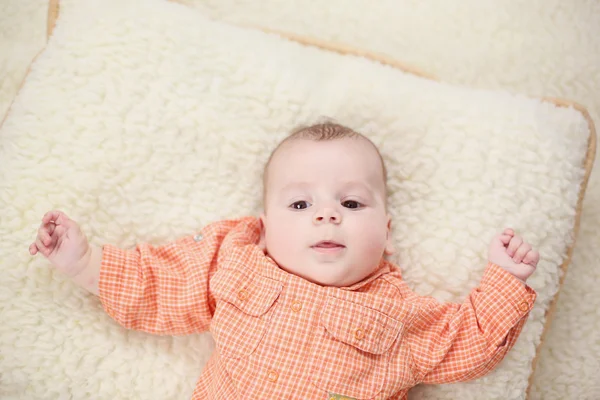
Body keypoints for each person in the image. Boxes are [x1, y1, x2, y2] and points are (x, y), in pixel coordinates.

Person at [29, 122, 538, 399]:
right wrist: (84, 262)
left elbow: (465, 344)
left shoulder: (396, 314)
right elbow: (162, 284)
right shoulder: (237, 260)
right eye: (300, 204)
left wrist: (505, 281)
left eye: (352, 204)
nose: (327, 217)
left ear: (386, 234)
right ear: (266, 226)